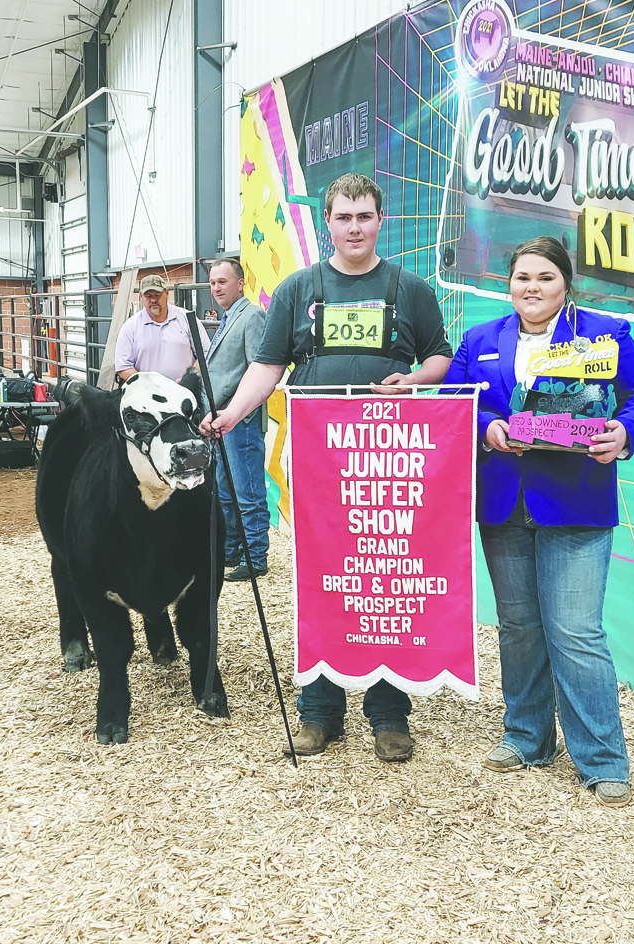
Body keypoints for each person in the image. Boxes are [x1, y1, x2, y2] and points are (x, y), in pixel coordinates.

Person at [201, 173, 453, 762]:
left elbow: (441, 354)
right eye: (344, 218)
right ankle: (319, 712)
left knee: (383, 585)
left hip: (389, 461)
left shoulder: (410, 288)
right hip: (318, 461)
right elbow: (267, 367)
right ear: (328, 224)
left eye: (364, 217)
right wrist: (233, 414)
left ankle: (390, 714)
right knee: (321, 582)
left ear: (380, 221)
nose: (355, 228)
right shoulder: (297, 290)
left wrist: (413, 379)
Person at [444, 236, 634, 807]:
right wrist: (486, 429)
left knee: (575, 631)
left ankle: (602, 760)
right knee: (518, 628)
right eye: (522, 277)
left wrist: (624, 433)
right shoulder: (479, 340)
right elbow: (454, 401)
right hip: (503, 504)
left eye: (545, 277)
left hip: (576, 501)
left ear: (566, 283)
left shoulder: (605, 335)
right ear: (508, 283)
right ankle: (526, 737)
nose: (532, 287)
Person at [207, 259, 270, 580]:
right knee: (226, 489)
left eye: (223, 282)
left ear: (241, 283)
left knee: (247, 489)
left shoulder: (252, 317)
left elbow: (256, 371)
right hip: (221, 422)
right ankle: (232, 550)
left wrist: (231, 409)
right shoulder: (227, 320)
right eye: (213, 283)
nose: (216, 288)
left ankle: (256, 555)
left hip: (241, 421)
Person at [115, 274, 210, 382]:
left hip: (186, 391)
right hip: (147, 394)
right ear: (141, 296)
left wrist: (189, 379)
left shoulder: (187, 319)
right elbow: (123, 367)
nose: (153, 300)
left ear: (166, 293)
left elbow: (206, 353)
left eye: (157, 295)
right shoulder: (130, 327)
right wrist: (151, 386)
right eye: (148, 296)